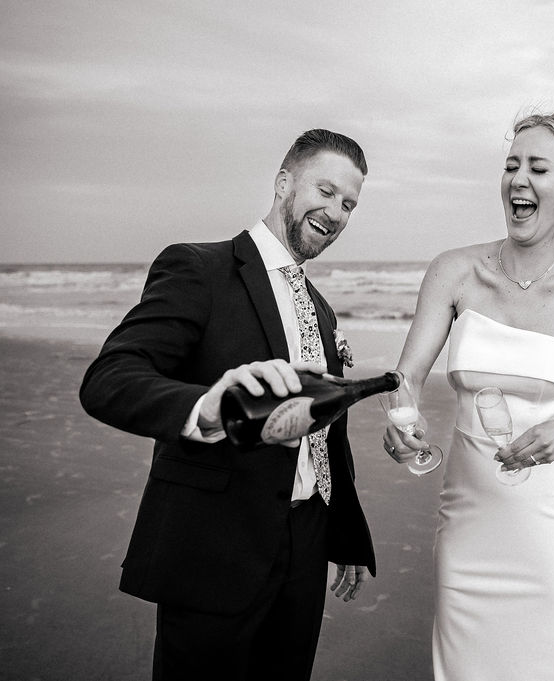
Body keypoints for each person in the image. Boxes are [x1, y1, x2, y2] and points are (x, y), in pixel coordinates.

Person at [80, 129, 376, 681]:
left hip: (304, 547)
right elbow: (109, 378)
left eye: (349, 204)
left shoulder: (323, 310)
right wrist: (208, 409)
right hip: (216, 543)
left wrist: (344, 535)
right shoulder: (199, 268)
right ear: (284, 182)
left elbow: (323, 433)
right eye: (326, 190)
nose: (335, 212)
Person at [383, 110, 554, 680]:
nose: (518, 180)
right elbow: (406, 376)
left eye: (537, 167)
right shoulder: (454, 271)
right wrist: (401, 421)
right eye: (510, 166)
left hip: (550, 525)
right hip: (469, 521)